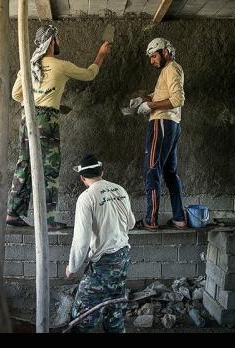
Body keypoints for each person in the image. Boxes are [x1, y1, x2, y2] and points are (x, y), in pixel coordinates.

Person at [7, 25, 111, 231]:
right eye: (58, 39)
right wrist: (101, 54)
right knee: (49, 169)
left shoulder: (28, 66)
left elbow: (16, 95)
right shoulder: (60, 65)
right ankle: (47, 219)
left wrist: (40, 99)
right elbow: (90, 74)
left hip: (27, 117)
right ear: (52, 41)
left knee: (24, 165)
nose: (59, 42)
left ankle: (12, 213)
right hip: (47, 120)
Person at [65, 154, 135, 333]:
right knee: (114, 310)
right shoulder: (119, 189)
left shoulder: (87, 198)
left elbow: (81, 240)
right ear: (102, 172)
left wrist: (72, 267)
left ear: (82, 178)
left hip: (104, 264)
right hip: (123, 258)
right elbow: (131, 223)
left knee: (82, 317)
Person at [129, 38, 187, 230]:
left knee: (151, 169)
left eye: (154, 56)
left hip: (162, 123)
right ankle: (179, 218)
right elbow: (161, 95)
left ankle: (151, 220)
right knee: (170, 173)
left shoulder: (171, 68)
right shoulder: (168, 71)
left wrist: (150, 106)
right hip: (172, 125)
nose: (152, 60)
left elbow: (177, 99)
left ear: (166, 52)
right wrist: (142, 100)